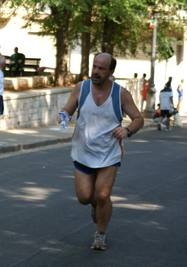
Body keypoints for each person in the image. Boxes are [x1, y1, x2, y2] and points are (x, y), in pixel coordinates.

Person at [59, 53, 144, 251]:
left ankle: (100, 233)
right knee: (85, 197)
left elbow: (138, 118)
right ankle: (95, 206)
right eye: (95, 67)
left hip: (109, 153)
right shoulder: (82, 88)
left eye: (101, 69)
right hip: (83, 151)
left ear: (111, 72)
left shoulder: (120, 94)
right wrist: (63, 117)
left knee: (103, 195)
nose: (96, 72)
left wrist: (127, 130)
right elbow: (67, 110)